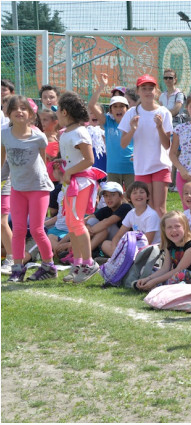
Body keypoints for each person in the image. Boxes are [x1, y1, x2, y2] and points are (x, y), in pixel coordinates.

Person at [1, 96, 56, 282]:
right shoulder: (4, 134)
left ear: (31, 114)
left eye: (24, 108)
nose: (19, 111)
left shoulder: (38, 136)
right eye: (15, 108)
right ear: (8, 113)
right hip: (17, 188)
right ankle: (17, 268)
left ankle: (49, 266)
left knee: (36, 229)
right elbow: (3, 160)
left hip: (38, 188)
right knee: (17, 230)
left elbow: (43, 161)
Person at [56, 91, 104, 283]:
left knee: (77, 222)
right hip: (71, 183)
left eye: (58, 110)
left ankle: (88, 263)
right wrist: (64, 165)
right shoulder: (67, 132)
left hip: (81, 182)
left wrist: (69, 171)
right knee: (71, 223)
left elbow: (89, 160)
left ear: (65, 112)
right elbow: (74, 158)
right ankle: (77, 263)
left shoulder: (80, 132)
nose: (56, 114)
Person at [118, 74, 173, 217]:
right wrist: (133, 129)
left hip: (161, 165)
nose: (148, 92)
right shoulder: (131, 113)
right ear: (137, 91)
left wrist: (160, 127)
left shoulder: (164, 112)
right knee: (146, 208)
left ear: (157, 91)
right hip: (142, 167)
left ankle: (163, 239)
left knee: (160, 209)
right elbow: (123, 144)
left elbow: (167, 145)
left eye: (151, 88)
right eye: (144, 88)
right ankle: (147, 238)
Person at [135, 211, 191, 291]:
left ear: (185, 227)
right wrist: (148, 278)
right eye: (169, 227)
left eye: (177, 226)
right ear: (164, 230)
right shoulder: (170, 245)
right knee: (153, 271)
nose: (174, 230)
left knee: (181, 274)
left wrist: (154, 281)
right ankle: (149, 285)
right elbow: (165, 268)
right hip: (178, 278)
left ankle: (159, 288)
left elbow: (178, 269)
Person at [88, 73, 135, 190]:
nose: (118, 109)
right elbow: (92, 105)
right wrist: (101, 86)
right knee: (114, 198)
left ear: (127, 109)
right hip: (113, 168)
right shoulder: (107, 121)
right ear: (110, 110)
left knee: (132, 196)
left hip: (131, 167)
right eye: (115, 106)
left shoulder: (133, 122)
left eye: (122, 106)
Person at [102, 181, 161, 257]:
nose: (138, 195)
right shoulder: (131, 213)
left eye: (141, 192)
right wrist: (114, 250)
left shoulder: (152, 215)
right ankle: (120, 261)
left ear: (147, 196)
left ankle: (123, 262)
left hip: (150, 251)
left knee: (129, 254)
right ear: (129, 198)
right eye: (135, 193)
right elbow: (118, 235)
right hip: (134, 248)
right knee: (106, 244)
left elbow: (147, 242)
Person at [85, 181, 132, 258]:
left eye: (113, 195)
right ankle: (81, 251)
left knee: (106, 226)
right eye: (106, 196)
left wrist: (89, 233)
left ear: (121, 196)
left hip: (125, 243)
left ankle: (84, 254)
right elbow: (86, 219)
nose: (109, 198)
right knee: (91, 221)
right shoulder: (106, 209)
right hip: (111, 244)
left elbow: (107, 222)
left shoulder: (125, 207)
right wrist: (87, 226)